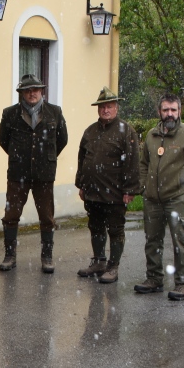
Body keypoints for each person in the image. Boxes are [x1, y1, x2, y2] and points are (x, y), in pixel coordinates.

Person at [133, 93, 184, 300]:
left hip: (177, 198)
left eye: (173, 110)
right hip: (152, 199)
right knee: (152, 241)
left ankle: (183, 284)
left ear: (179, 111)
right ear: (159, 111)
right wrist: (143, 187)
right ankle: (154, 279)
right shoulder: (152, 135)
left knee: (180, 242)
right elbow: (143, 163)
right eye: (165, 110)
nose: (169, 114)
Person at [0, 74, 69, 273]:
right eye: (27, 90)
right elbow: (3, 140)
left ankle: (47, 257)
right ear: (21, 93)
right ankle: (9, 256)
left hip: (44, 174)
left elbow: (62, 139)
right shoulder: (10, 113)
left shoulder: (54, 112)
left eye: (35, 90)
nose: (32, 93)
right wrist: (20, 156)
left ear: (41, 91)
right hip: (17, 173)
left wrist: (45, 157)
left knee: (47, 217)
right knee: (11, 215)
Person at [75, 88, 140, 284]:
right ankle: (98, 262)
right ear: (98, 109)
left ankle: (113, 267)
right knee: (95, 227)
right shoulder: (90, 131)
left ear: (116, 108)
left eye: (109, 106)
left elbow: (132, 162)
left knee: (115, 230)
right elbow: (82, 159)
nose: (105, 110)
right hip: (92, 191)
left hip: (115, 193)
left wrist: (130, 189)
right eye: (102, 107)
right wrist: (81, 184)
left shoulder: (126, 131)